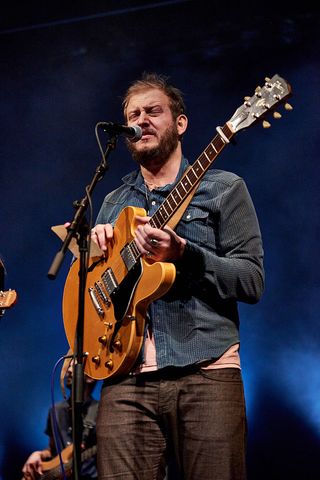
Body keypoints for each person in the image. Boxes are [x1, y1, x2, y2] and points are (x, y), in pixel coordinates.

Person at [90, 72, 264, 480]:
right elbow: (98, 291)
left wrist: (184, 254)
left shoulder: (223, 188)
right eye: (134, 114)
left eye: (154, 111)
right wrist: (96, 256)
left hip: (206, 371)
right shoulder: (115, 201)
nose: (142, 120)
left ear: (180, 123)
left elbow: (252, 280)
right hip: (125, 379)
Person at [21, 362, 98, 480]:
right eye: (69, 366)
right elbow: (51, 450)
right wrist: (39, 454)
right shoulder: (55, 410)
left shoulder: (101, 412)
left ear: (91, 378)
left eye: (75, 366)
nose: (69, 371)